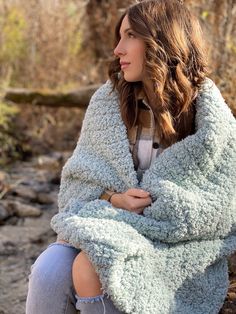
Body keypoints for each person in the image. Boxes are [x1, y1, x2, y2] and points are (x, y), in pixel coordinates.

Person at [26, 0, 236, 313]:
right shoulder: (108, 103)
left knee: (90, 265)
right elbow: (78, 183)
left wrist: (157, 209)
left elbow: (221, 206)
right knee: (49, 270)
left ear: (161, 42)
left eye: (129, 36)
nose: (117, 50)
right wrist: (115, 200)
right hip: (109, 223)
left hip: (176, 243)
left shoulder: (208, 117)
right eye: (118, 37)